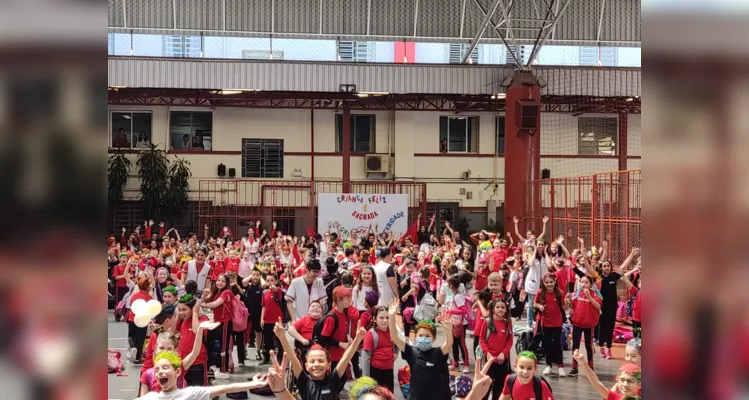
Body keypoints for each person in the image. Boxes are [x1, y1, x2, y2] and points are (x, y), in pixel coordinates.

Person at [274, 319, 366, 400]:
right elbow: (293, 358)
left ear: (328, 365)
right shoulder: (304, 382)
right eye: (312, 361)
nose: (316, 364)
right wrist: (282, 337)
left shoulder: (333, 380)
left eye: (321, 361)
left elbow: (346, 358)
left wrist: (357, 339)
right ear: (306, 366)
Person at [388, 299, 453, 400]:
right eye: (421, 335)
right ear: (416, 337)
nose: (424, 338)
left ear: (434, 338)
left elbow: (448, 344)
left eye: (427, 336)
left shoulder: (438, 353)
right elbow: (394, 337)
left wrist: (448, 330)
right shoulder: (411, 352)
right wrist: (391, 317)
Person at [134, 351, 269, 399]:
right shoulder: (150, 398)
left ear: (178, 372)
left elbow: (227, 388)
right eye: (157, 370)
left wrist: (252, 384)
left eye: (165, 367)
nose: (160, 372)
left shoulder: (191, 394)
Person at [475, 300, 513, 400]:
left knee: (500, 386)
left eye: (503, 307)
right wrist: (487, 353)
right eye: (498, 307)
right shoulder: (487, 322)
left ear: (506, 310)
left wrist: (503, 353)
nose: (500, 309)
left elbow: (510, 341)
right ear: (493, 309)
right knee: (486, 384)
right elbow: (482, 339)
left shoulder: (507, 323)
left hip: (503, 361)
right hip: (489, 360)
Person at [199, 274, 234, 377]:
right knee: (216, 345)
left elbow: (215, 304)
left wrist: (202, 305)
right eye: (218, 280)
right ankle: (218, 366)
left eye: (222, 281)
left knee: (223, 346)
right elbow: (206, 300)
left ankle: (224, 370)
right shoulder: (216, 292)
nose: (220, 283)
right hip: (217, 322)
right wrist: (203, 296)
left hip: (225, 322)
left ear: (226, 283)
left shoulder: (227, 292)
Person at [533, 273, 568, 376]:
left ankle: (560, 366)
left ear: (555, 281)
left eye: (551, 282)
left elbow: (564, 308)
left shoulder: (560, 293)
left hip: (557, 322)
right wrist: (539, 306)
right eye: (547, 282)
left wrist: (567, 303)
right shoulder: (540, 293)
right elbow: (535, 303)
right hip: (544, 322)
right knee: (547, 344)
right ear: (543, 283)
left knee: (557, 344)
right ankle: (549, 366)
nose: (549, 284)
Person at [318, 286, 360, 372]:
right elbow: (324, 337)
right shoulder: (332, 317)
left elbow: (340, 330)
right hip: (332, 357)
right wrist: (340, 344)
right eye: (347, 298)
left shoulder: (343, 313)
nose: (350, 301)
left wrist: (347, 337)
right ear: (339, 300)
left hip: (340, 355)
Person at [573, 350, 641, 400]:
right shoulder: (615, 398)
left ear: (639, 384)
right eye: (622, 380)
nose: (625, 384)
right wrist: (583, 363)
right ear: (617, 380)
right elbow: (596, 382)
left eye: (630, 381)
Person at [568, 275, 601, 376]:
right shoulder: (576, 294)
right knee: (575, 344)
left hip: (589, 324)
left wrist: (589, 297)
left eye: (586, 282)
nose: (584, 284)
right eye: (582, 282)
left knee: (588, 345)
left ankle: (590, 366)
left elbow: (598, 306)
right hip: (577, 323)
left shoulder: (595, 294)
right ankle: (574, 367)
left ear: (591, 284)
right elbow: (571, 306)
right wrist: (568, 301)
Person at [176, 294, 210, 386]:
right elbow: (174, 329)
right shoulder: (183, 320)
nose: (181, 312)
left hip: (198, 362)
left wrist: (195, 312)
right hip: (184, 361)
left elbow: (196, 330)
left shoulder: (203, 319)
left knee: (198, 390)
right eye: (179, 310)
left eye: (184, 310)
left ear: (192, 308)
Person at [361, 306, 396, 392]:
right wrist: (366, 380)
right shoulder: (371, 334)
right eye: (381, 318)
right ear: (375, 319)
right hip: (375, 372)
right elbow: (365, 358)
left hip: (389, 371)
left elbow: (397, 344)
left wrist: (395, 353)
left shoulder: (392, 331)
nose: (385, 321)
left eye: (387, 318)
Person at [260, 274, 286, 364]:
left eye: (272, 280)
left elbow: (277, 290)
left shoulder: (278, 291)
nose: (270, 282)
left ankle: (280, 358)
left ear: (276, 281)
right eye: (268, 281)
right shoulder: (264, 293)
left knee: (279, 340)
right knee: (267, 341)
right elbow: (263, 306)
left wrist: (275, 288)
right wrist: (262, 319)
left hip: (277, 320)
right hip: (267, 320)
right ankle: (266, 358)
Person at [242, 268, 264, 361]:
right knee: (245, 332)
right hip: (247, 313)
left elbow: (264, 284)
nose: (255, 277)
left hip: (258, 313)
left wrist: (261, 276)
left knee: (258, 332)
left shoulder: (260, 286)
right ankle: (244, 350)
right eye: (253, 275)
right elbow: (244, 281)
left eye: (257, 275)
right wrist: (251, 275)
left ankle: (258, 350)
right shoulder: (248, 285)